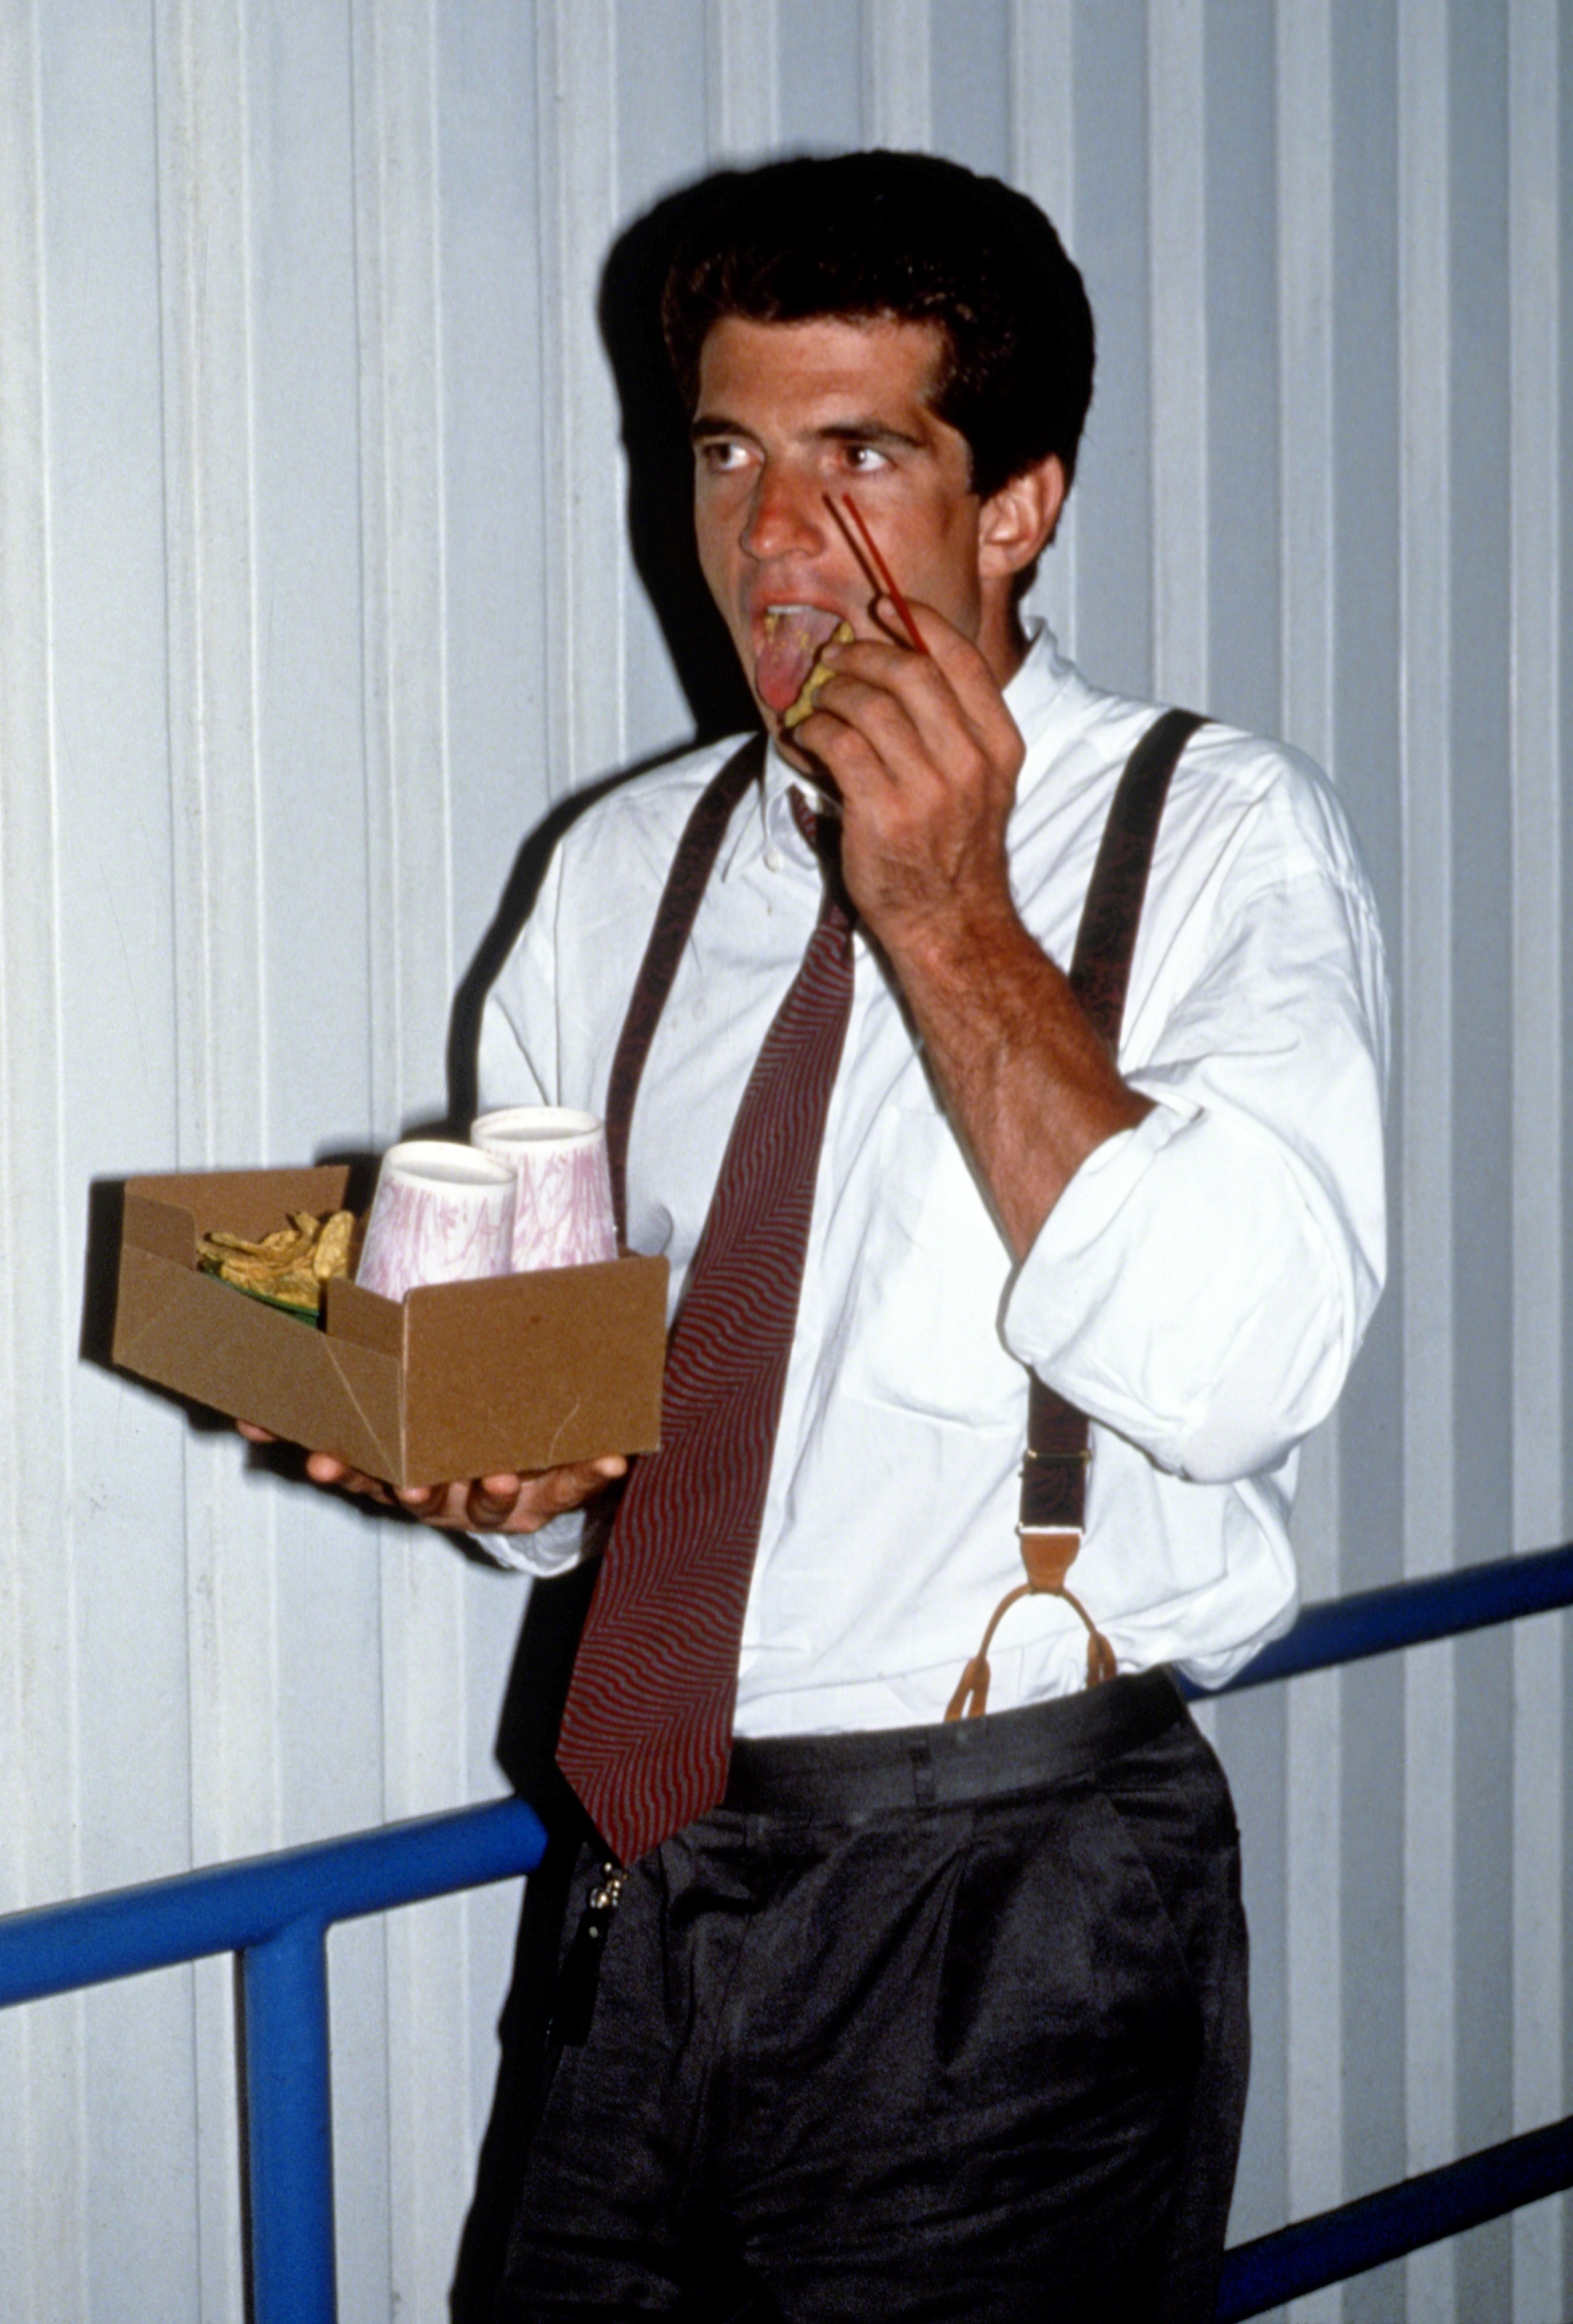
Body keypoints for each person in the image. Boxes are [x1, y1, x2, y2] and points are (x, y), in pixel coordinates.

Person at [291, 152, 1388, 2318]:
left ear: (1020, 504)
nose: (774, 544)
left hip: (1016, 1890)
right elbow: (564, 1409)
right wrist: (494, 1467)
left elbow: (1246, 1373)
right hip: (641, 1869)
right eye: (726, 453)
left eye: (860, 455)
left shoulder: (1215, 834)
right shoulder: (618, 873)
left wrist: (952, 917)